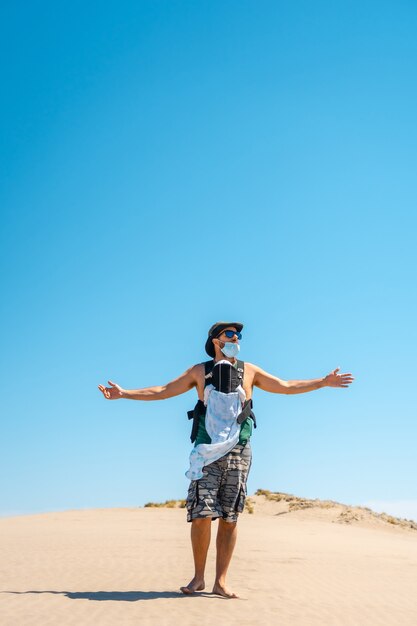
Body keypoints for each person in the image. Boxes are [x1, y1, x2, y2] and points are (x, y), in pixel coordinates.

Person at [98, 321, 355, 598]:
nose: (236, 339)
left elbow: (286, 386)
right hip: (206, 451)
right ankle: (198, 579)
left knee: (230, 518)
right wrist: (125, 394)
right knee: (201, 515)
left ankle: (221, 581)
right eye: (230, 334)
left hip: (239, 450)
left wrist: (323, 382)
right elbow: (163, 390)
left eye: (238, 335)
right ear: (216, 341)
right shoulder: (200, 371)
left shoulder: (249, 370)